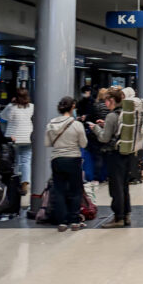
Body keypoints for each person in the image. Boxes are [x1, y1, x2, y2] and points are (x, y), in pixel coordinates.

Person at [45, 96, 87, 232]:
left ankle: (62, 221)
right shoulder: (77, 125)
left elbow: (47, 143)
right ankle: (74, 220)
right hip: (73, 158)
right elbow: (83, 144)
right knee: (75, 190)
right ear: (73, 107)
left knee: (59, 190)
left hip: (57, 159)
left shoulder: (51, 124)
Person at [89, 87, 130, 228]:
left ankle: (118, 217)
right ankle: (126, 214)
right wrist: (104, 125)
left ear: (111, 100)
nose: (105, 103)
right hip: (126, 154)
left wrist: (95, 128)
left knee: (115, 187)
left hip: (114, 154)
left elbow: (104, 138)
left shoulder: (112, 116)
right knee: (124, 185)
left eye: (106, 100)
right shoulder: (125, 112)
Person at [1, 88, 34, 196]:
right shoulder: (32, 107)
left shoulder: (11, 107)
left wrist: (11, 103)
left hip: (13, 137)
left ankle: (14, 182)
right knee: (26, 161)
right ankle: (24, 183)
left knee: (14, 161)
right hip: (27, 137)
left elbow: (3, 116)